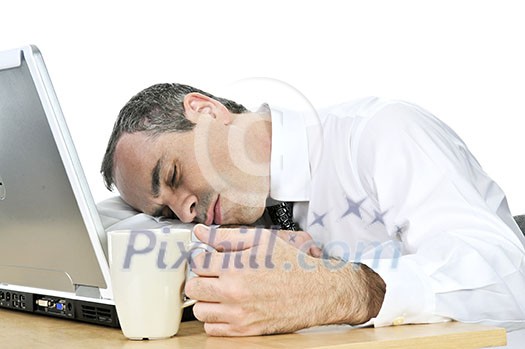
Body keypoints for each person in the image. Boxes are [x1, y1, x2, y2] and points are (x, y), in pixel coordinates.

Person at [101, 83, 525, 337]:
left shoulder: (380, 133)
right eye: (168, 213)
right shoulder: (251, 222)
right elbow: (106, 229)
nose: (185, 210)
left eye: (172, 175)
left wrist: (339, 288)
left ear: (205, 110)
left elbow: (511, 277)